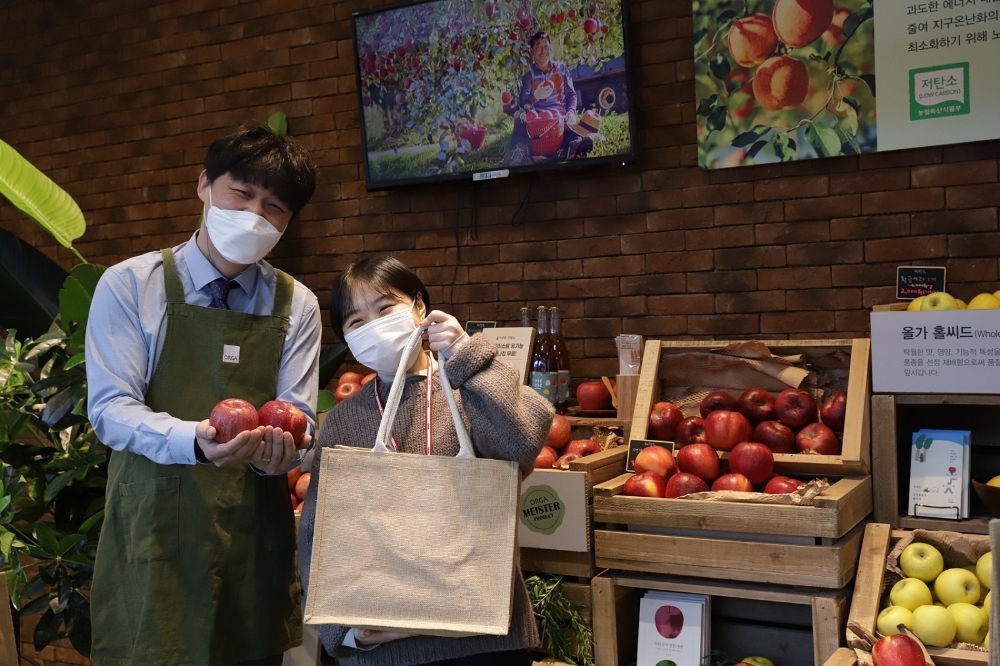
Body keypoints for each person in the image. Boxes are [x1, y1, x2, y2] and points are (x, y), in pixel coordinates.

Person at [86, 120, 321, 666]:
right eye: (242, 193)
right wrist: (195, 440)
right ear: (204, 186)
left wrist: (282, 452)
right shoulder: (130, 285)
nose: (255, 215)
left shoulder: (297, 304)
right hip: (156, 533)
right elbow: (110, 410)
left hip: (249, 540)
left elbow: (299, 415)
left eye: (275, 208)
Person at [298, 255, 554, 666]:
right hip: (382, 648)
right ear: (345, 338)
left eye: (384, 309)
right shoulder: (345, 419)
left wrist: (464, 355)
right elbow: (318, 533)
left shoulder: (468, 389)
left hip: (482, 641)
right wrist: (344, 634)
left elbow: (522, 442)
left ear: (419, 306)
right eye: (356, 321)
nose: (374, 326)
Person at [508, 31, 594, 164]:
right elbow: (524, 101)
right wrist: (535, 96)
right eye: (538, 46)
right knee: (519, 119)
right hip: (537, 119)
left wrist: (570, 112)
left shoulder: (562, 69)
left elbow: (571, 95)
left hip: (559, 117)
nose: (543, 51)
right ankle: (521, 150)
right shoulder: (528, 76)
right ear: (532, 51)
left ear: (550, 48)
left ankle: (575, 145)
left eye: (545, 46)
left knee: (572, 127)